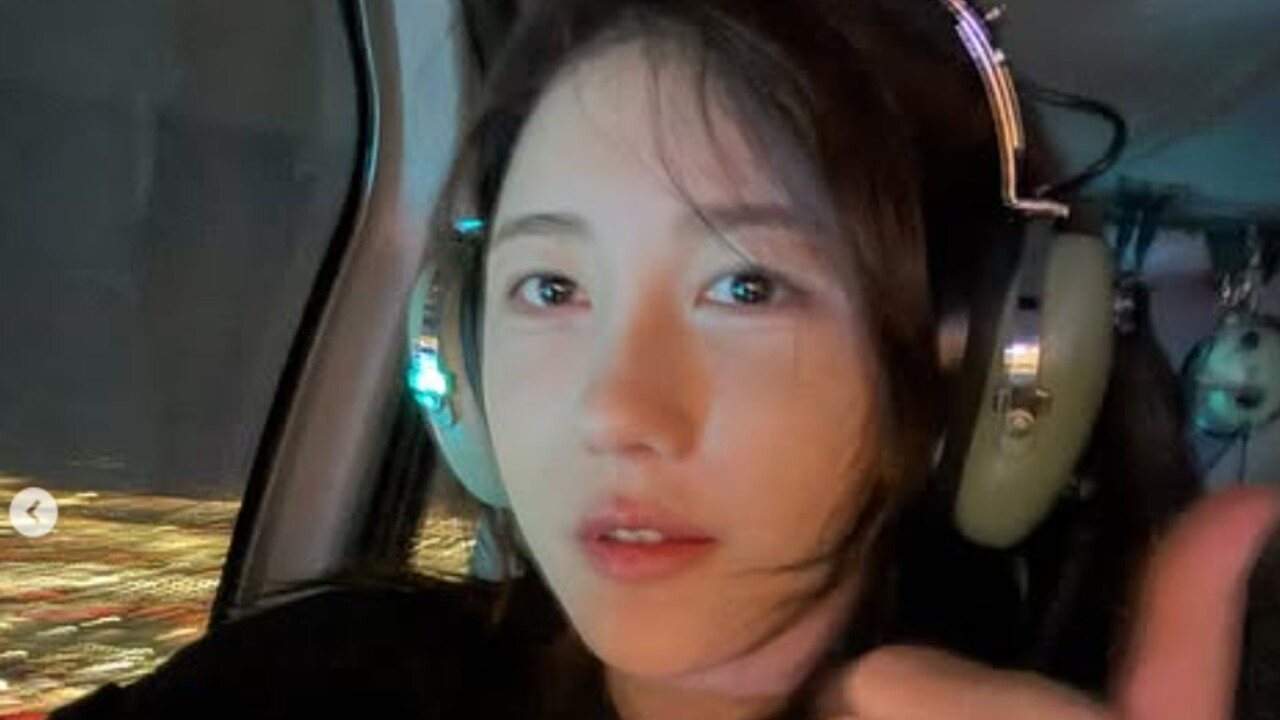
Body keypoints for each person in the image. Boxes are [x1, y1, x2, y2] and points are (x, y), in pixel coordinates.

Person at [48, 0, 1277, 719]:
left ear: (986, 372)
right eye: (550, 288)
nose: (617, 411)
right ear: (457, 351)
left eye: (745, 287)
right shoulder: (323, 691)